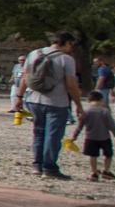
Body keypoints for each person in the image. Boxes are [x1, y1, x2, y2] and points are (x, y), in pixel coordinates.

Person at [13, 31, 85, 180]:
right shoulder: (67, 59)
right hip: (56, 102)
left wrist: (19, 97)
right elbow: (71, 85)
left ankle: (37, 165)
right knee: (53, 135)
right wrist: (78, 104)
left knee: (39, 132)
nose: (72, 48)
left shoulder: (34, 54)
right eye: (72, 44)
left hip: (33, 99)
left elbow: (25, 77)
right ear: (66, 43)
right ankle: (49, 168)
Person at [74, 90, 115, 181]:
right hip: (104, 137)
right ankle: (106, 171)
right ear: (101, 100)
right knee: (108, 155)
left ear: (89, 100)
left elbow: (80, 126)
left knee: (93, 156)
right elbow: (112, 126)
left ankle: (94, 172)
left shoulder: (86, 112)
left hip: (90, 137)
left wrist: (74, 136)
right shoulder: (105, 111)